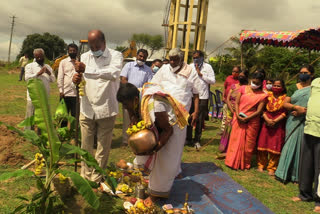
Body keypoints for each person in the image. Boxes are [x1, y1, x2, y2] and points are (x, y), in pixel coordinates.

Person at [133, 48, 202, 200]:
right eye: (170, 58)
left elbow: (196, 94)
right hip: (161, 114)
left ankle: (161, 187)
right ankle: (152, 176)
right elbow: (151, 85)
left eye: (175, 59)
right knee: (156, 146)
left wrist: (195, 112)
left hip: (180, 118)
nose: (172, 62)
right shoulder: (164, 69)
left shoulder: (190, 71)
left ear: (181, 58)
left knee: (171, 152)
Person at [117, 82, 189, 201]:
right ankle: (153, 183)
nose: (124, 107)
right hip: (159, 127)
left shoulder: (155, 104)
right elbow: (133, 114)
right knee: (154, 158)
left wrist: (155, 149)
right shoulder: (136, 98)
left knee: (165, 161)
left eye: (125, 104)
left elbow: (167, 130)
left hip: (173, 127)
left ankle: (156, 195)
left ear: (135, 99)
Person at [72, 30, 123, 183]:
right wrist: (76, 78)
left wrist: (88, 70)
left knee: (102, 147)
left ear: (104, 43)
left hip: (106, 107)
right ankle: (85, 176)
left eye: (97, 46)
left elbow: (113, 74)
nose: (94, 50)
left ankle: (96, 177)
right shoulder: (85, 57)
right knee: (85, 146)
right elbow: (81, 80)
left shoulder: (116, 56)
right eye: (91, 47)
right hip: (87, 107)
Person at [275, 65, 313, 183]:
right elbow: (285, 104)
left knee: (302, 147)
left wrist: (304, 111)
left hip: (306, 121)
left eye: (305, 72)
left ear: (311, 74)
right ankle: (282, 173)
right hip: (293, 120)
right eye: (300, 72)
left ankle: (296, 176)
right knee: (289, 145)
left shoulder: (315, 89)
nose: (302, 74)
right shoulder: (293, 87)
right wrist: (296, 107)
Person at [225, 72, 267, 170]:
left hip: (252, 121)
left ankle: (244, 163)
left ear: (261, 83)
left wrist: (247, 118)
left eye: (257, 83)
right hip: (238, 117)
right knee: (235, 140)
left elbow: (259, 111)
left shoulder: (263, 95)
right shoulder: (243, 88)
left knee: (249, 143)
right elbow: (236, 102)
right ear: (251, 80)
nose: (254, 84)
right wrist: (238, 114)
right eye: (253, 82)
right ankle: (232, 161)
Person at [292, 76, 320, 213]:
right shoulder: (315, 82)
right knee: (306, 165)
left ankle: (319, 200)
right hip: (309, 129)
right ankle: (305, 194)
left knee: (319, 169)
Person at [120, 49, 153, 146]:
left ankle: (138, 139)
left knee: (140, 118)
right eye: (140, 56)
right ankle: (126, 141)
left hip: (141, 97)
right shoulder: (128, 66)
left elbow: (149, 84)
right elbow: (123, 79)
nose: (142, 58)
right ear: (137, 56)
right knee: (127, 118)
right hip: (129, 96)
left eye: (144, 57)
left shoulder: (148, 70)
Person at [257, 79, 287, 176]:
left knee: (275, 145)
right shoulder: (267, 95)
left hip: (278, 123)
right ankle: (261, 165)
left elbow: (285, 112)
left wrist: (275, 121)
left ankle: (272, 167)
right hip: (266, 121)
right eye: (274, 85)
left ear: (282, 87)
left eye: (278, 86)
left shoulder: (285, 98)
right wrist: (267, 119)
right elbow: (262, 109)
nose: (276, 87)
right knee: (263, 143)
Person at [186, 50, 215, 148]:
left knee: (199, 119)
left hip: (203, 96)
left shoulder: (208, 67)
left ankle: (197, 140)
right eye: (194, 58)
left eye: (197, 57)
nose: (196, 59)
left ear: (202, 57)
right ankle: (188, 139)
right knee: (189, 117)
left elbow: (213, 81)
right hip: (191, 96)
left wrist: (201, 74)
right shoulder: (189, 67)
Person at [219, 70, 249, 155]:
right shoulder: (233, 86)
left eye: (242, 76)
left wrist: (237, 110)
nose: (240, 77)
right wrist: (231, 109)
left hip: (240, 112)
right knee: (228, 128)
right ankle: (225, 148)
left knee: (236, 130)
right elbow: (228, 98)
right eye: (239, 75)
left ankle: (234, 149)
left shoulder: (248, 88)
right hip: (230, 110)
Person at [24, 49, 56, 130]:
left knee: (43, 117)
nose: (39, 59)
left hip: (44, 96)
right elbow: (27, 78)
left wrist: (48, 72)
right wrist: (38, 73)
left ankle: (41, 133)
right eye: (37, 57)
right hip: (33, 97)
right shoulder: (30, 66)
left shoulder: (48, 66)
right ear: (34, 56)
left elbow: (53, 80)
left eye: (41, 57)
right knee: (30, 115)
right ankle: (28, 133)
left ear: (43, 56)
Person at [57, 43, 78, 126]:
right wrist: (61, 90)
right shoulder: (63, 62)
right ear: (68, 52)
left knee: (75, 116)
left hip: (76, 95)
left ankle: (73, 135)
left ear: (77, 51)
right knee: (63, 116)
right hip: (65, 93)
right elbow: (60, 77)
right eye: (70, 51)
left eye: (74, 51)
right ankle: (63, 133)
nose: (72, 52)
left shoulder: (80, 62)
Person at [220, 66, 240, 133]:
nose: (234, 73)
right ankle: (223, 130)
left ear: (239, 73)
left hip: (234, 102)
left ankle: (231, 130)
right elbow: (225, 88)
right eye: (233, 71)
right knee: (225, 115)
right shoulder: (228, 78)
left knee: (232, 116)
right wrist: (223, 97)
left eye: (236, 72)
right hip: (226, 100)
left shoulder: (239, 80)